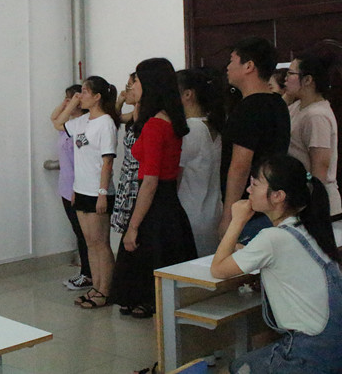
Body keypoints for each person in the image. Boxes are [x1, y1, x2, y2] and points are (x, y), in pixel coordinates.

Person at [211, 155, 342, 373]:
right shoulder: (308, 228)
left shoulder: (272, 238)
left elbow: (218, 269)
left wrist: (237, 220)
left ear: (277, 196)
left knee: (230, 369)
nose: (248, 190)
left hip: (309, 355)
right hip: (333, 349)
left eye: (255, 184)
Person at [109, 58, 196, 318]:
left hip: (154, 201)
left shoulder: (156, 124)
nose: (132, 85)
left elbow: (150, 180)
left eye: (136, 80)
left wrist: (133, 226)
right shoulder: (167, 119)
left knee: (143, 253)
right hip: (167, 201)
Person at [53, 76, 120, 309]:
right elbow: (58, 123)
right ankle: (95, 286)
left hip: (97, 191)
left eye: (84, 92)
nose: (80, 96)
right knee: (90, 243)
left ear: (97, 96)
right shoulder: (82, 121)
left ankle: (106, 290)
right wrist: (72, 103)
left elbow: (107, 162)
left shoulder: (106, 123)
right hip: (80, 189)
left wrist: (102, 192)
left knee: (101, 243)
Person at [219, 37, 291, 238]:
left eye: (232, 61)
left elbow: (240, 166)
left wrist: (229, 216)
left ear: (249, 66)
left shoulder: (248, 109)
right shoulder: (278, 103)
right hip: (274, 204)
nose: (227, 67)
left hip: (250, 208)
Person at [285, 52, 341, 216]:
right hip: (302, 196)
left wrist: (314, 209)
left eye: (290, 73)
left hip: (318, 203)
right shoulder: (297, 107)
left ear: (308, 80)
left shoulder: (316, 116)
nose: (285, 78)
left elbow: (320, 168)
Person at [176, 68, 225, 256]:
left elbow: (176, 176)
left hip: (190, 212)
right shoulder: (213, 125)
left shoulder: (190, 129)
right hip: (212, 211)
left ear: (188, 94)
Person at [50, 84, 92, 291]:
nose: (68, 103)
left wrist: (74, 103)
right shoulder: (68, 126)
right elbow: (54, 118)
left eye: (72, 99)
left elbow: (82, 162)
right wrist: (66, 103)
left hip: (78, 188)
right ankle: (85, 271)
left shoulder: (82, 127)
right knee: (78, 232)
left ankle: (88, 273)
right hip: (66, 188)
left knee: (85, 234)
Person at [111, 72, 140, 235]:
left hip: (137, 178)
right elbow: (115, 118)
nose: (127, 90)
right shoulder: (134, 114)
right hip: (128, 176)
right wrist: (120, 101)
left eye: (130, 86)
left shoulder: (147, 117)